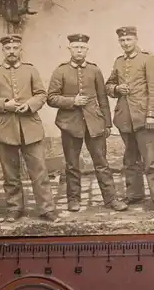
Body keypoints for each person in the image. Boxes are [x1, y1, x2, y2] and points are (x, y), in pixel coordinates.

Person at [47, 34, 128, 212]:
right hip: (70, 124)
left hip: (94, 122)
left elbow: (103, 98)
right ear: (69, 49)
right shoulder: (60, 71)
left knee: (102, 163)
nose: (79, 50)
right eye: (75, 47)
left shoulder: (94, 70)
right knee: (72, 164)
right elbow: (51, 98)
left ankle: (111, 199)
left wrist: (107, 123)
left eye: (82, 47)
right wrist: (72, 101)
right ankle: (73, 199)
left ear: (87, 49)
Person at [0, 34, 58, 222]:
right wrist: (4, 104)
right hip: (5, 129)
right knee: (10, 173)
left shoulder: (30, 70)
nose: (12, 51)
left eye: (15, 48)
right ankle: (15, 208)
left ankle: (46, 208)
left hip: (30, 127)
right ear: (3, 50)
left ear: (20, 49)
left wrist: (30, 105)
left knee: (39, 170)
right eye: (8, 48)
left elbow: (41, 94)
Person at [105, 26, 154, 216]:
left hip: (144, 117)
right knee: (130, 160)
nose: (126, 43)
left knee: (151, 162)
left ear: (136, 39)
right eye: (122, 41)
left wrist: (152, 114)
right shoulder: (118, 62)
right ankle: (134, 194)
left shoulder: (147, 59)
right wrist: (117, 89)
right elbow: (108, 85)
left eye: (129, 40)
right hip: (125, 118)